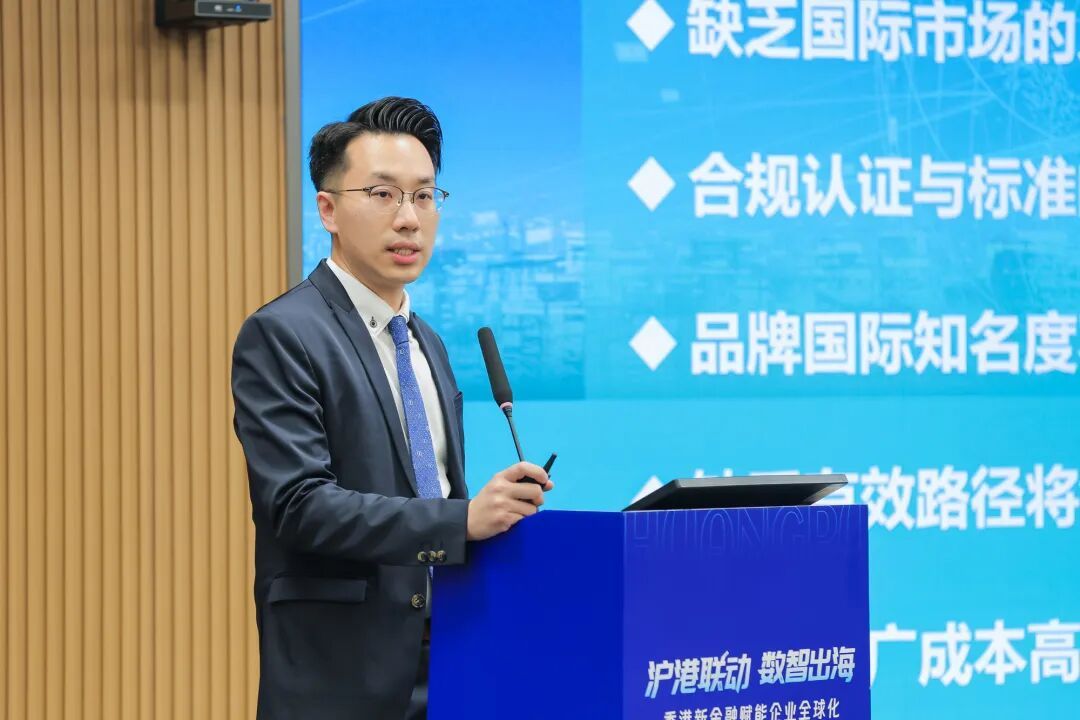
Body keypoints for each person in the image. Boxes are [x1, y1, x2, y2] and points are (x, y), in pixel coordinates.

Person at [231, 96, 552, 719]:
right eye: (383, 194)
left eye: (425, 196)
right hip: (343, 677)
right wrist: (458, 522)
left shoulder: (427, 342)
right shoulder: (283, 333)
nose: (409, 219)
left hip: (452, 659)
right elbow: (298, 505)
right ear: (327, 209)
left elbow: (432, 490)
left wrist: (496, 514)